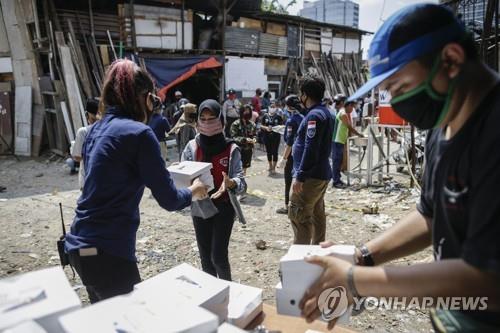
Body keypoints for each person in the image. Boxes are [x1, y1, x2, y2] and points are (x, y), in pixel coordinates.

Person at [299, 4, 500, 331]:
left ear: (450, 59)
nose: (399, 104)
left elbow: (487, 279)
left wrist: (355, 280)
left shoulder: (493, 132)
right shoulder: (443, 122)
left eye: (400, 88)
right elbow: (432, 214)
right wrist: (363, 256)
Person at [64, 59, 207, 303]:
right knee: (132, 320)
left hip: (78, 247)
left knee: (106, 321)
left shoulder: (94, 130)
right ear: (144, 98)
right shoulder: (140, 134)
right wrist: (194, 190)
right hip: (109, 253)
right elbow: (170, 200)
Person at [181, 99, 247, 281]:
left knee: (218, 257)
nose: (208, 123)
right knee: (205, 259)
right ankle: (212, 295)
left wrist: (231, 183)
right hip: (200, 207)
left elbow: (242, 181)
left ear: (222, 120)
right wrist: (180, 174)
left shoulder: (231, 148)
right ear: (198, 121)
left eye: (212, 118)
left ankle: (229, 291)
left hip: (224, 208)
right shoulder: (191, 147)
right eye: (203, 118)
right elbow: (183, 177)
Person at [289, 75, 334, 245]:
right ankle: (317, 253)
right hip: (320, 174)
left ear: (305, 95)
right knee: (317, 214)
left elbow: (311, 147)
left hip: (310, 177)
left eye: (301, 93)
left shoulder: (314, 116)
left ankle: (301, 260)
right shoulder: (325, 113)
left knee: (300, 217)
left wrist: (300, 176)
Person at [276, 95, 304, 215]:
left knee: (288, 180)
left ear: (288, 106)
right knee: (301, 180)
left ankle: (287, 206)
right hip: (303, 154)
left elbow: (290, 142)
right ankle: (302, 205)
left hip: (292, 155)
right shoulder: (303, 117)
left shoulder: (291, 120)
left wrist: (284, 158)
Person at [332, 100, 364, 188]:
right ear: (348, 105)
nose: (352, 110)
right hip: (337, 140)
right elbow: (349, 127)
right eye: (352, 107)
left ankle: (337, 179)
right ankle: (336, 181)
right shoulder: (343, 114)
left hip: (341, 140)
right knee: (336, 161)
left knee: (339, 161)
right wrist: (359, 134)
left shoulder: (345, 113)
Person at [68, 98, 99, 184]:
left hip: (88, 179)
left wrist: (73, 149)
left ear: (86, 114)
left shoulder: (83, 132)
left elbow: (77, 157)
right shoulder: (108, 130)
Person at [230, 104, 256, 176]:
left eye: (248, 111)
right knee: (236, 168)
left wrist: (254, 139)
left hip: (248, 150)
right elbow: (233, 137)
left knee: (244, 168)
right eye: (245, 111)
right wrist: (245, 140)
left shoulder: (252, 124)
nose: (247, 113)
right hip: (238, 150)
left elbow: (255, 135)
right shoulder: (235, 124)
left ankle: (242, 182)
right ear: (241, 112)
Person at [261, 102, 283, 174]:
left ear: (276, 108)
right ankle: (270, 166)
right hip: (267, 136)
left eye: (274, 107)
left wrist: (276, 128)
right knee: (269, 152)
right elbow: (261, 125)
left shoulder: (278, 117)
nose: (272, 108)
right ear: (269, 108)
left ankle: (274, 167)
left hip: (276, 137)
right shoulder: (265, 116)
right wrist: (266, 128)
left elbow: (282, 127)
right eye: (271, 107)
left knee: (275, 152)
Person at [148, 95, 171, 162]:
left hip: (150, 143)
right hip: (160, 143)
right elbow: (169, 131)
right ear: (160, 108)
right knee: (162, 163)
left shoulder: (148, 119)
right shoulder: (163, 119)